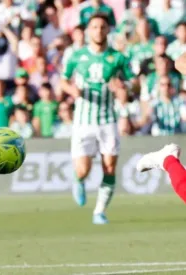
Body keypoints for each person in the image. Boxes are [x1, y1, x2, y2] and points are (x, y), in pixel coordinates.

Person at [60, 13, 135, 225]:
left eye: (102, 27)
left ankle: (99, 211)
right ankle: (79, 180)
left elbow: (133, 85)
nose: (99, 31)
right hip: (83, 121)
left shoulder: (118, 58)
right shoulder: (76, 56)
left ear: (108, 30)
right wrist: (72, 90)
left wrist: (123, 88)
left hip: (108, 120)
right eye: (94, 27)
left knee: (109, 166)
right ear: (87, 31)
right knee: (83, 169)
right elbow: (63, 80)